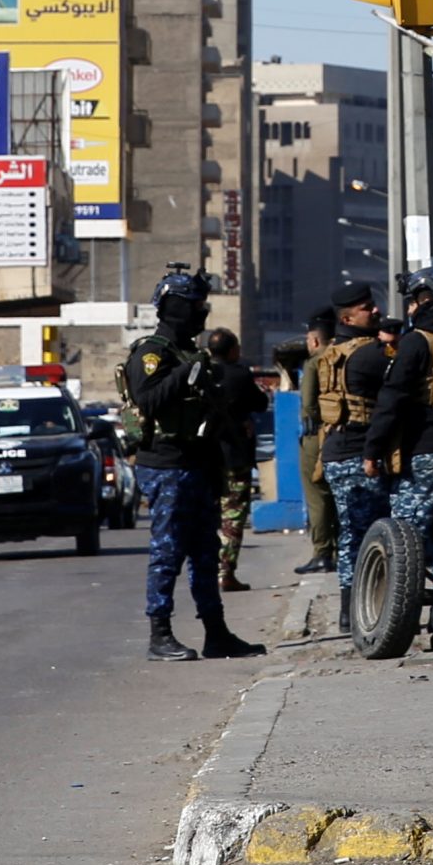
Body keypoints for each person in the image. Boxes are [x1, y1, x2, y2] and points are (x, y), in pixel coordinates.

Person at [124, 266, 266, 663]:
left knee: (207, 551)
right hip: (167, 464)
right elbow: (147, 400)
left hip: (200, 463)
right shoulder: (152, 353)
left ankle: (216, 632)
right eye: (194, 306)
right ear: (173, 307)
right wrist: (186, 374)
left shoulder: (193, 353)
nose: (201, 313)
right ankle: (160, 633)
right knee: (167, 552)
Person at [367, 266, 433, 595]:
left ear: (424, 298)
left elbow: (392, 399)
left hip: (421, 452)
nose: (410, 308)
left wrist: (373, 450)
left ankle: (401, 608)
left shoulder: (416, 342)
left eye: (413, 301)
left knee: (406, 536)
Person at [314, 282, 392, 634]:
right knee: (371, 535)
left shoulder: (331, 353)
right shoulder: (371, 355)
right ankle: (365, 609)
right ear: (347, 317)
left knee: (351, 534)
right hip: (361, 454)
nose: (374, 311)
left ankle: (349, 612)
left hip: (335, 452)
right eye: (366, 308)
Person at [205, 329, 270, 594]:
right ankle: (225, 572)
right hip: (234, 455)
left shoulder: (201, 374)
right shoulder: (240, 375)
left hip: (206, 456)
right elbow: (261, 402)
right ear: (233, 350)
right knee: (233, 515)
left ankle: (208, 570)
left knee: (210, 516)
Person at [293, 307, 340, 573]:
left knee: (318, 495)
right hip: (345, 433)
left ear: (313, 340)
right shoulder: (342, 353)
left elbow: (308, 405)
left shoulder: (314, 362)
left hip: (317, 435)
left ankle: (322, 552)